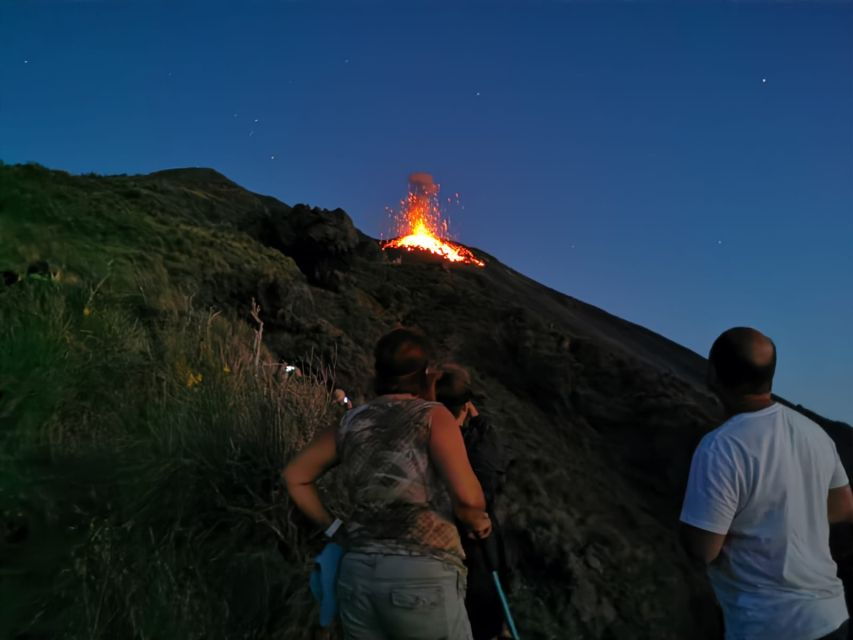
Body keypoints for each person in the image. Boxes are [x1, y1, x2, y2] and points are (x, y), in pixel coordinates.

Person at [283, 328, 491, 640]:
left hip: (357, 575)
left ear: (378, 371)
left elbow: (294, 477)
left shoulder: (351, 421)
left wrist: (336, 529)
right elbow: (468, 499)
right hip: (422, 574)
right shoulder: (434, 417)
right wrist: (478, 520)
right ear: (424, 373)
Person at [680, 327, 853, 640]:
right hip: (833, 618)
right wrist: (794, 514)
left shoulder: (722, 445)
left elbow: (704, 548)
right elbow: (844, 507)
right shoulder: (814, 433)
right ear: (770, 375)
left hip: (771, 625)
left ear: (713, 374)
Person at [435, 365, 512, 640]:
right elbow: (484, 488)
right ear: (466, 405)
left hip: (429, 538)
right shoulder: (478, 441)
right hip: (475, 540)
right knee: (481, 615)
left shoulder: (425, 431)